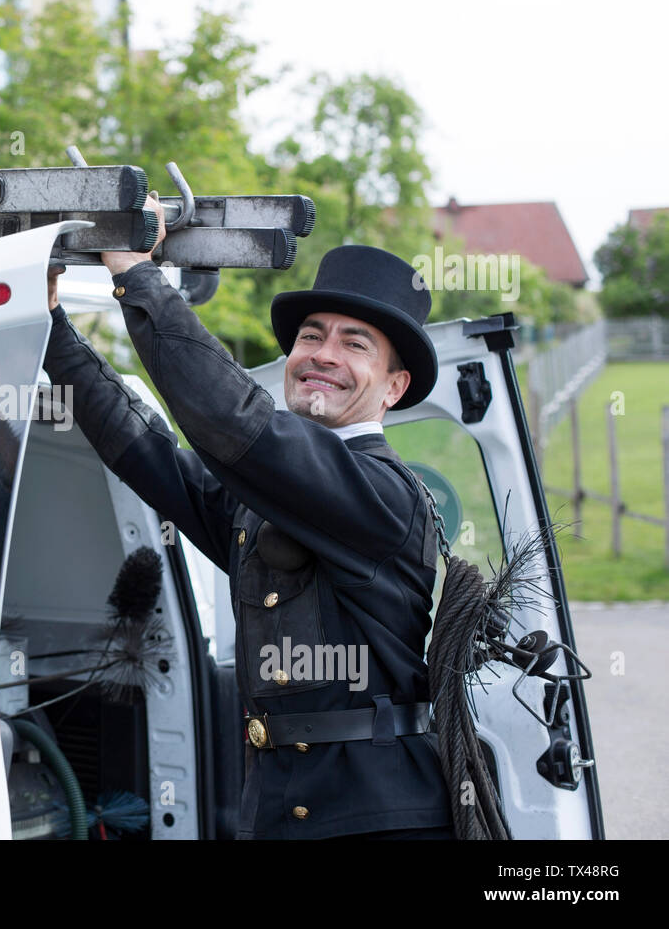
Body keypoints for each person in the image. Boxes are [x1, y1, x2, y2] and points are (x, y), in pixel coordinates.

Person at [43, 194, 454, 839]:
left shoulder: (381, 492)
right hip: (280, 809)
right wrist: (52, 330)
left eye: (355, 344)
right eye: (310, 336)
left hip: (376, 819)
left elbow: (233, 419)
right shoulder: (271, 490)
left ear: (393, 387)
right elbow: (147, 454)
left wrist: (136, 275)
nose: (321, 353)